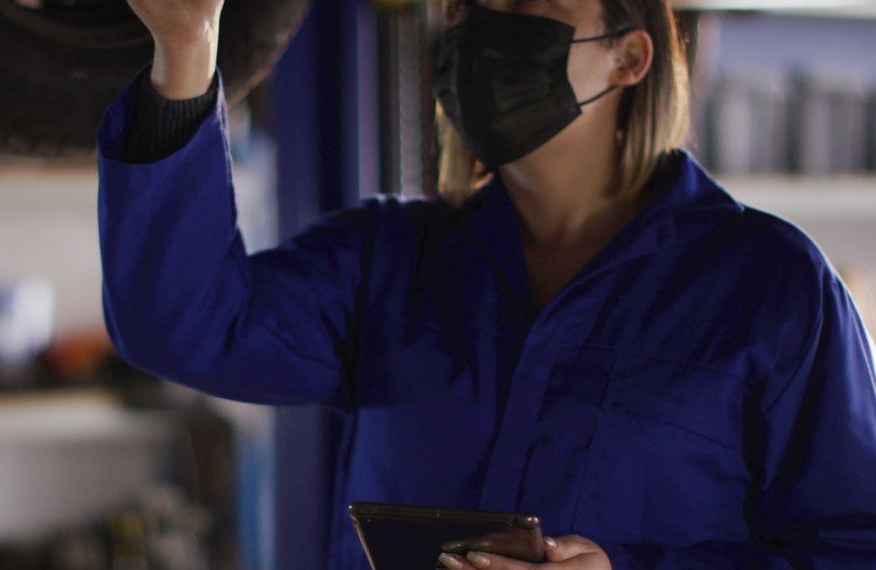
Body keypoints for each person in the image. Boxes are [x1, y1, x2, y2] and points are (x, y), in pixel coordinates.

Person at [97, 0, 876, 567]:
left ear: (630, 55)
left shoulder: (770, 288)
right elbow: (182, 322)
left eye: (527, 2)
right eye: (470, 7)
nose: (483, 27)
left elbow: (853, 546)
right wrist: (187, 43)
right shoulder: (390, 260)